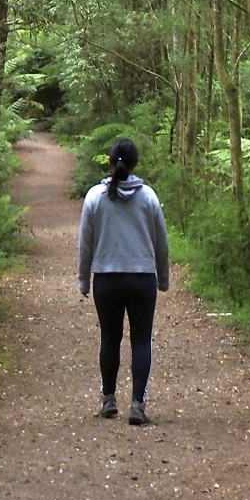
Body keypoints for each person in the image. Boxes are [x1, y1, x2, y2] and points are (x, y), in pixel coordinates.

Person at [76, 135, 169, 425]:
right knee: (141, 340)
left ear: (109, 161)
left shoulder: (94, 197)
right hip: (142, 278)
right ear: (135, 162)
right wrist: (163, 278)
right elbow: (161, 242)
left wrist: (83, 279)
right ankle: (138, 405)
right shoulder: (149, 197)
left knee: (110, 338)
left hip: (107, 279)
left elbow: (85, 242)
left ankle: (108, 399)